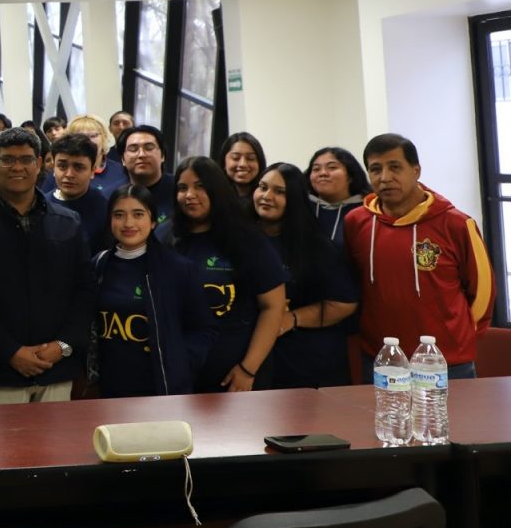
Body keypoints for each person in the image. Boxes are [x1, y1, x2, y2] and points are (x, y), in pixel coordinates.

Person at [0, 129, 93, 405]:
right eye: (7, 159)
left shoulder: (68, 221)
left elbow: (83, 291)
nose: (17, 167)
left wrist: (62, 346)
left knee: (59, 436)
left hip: (56, 366)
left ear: (38, 164)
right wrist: (10, 352)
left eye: (25, 159)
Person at [345, 133, 493, 379]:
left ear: (416, 171)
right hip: (382, 357)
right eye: (375, 169)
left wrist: (458, 335)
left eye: (395, 167)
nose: (385, 178)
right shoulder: (356, 222)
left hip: (445, 360)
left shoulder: (456, 224)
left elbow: (483, 293)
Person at [157, 156, 288, 393]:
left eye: (200, 186)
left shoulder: (248, 240)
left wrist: (248, 369)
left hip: (234, 375)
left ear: (216, 190)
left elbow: (273, 307)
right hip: (179, 373)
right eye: (182, 188)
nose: (189, 195)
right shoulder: (163, 236)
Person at [91, 186, 215, 398]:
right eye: (119, 215)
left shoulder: (179, 269)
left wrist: (180, 363)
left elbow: (204, 329)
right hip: (108, 389)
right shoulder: (99, 264)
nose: (128, 223)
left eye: (138, 214)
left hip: (161, 391)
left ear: (154, 221)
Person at [253, 164, 358, 389]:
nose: (267, 196)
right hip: (253, 360)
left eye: (279, 192)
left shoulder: (316, 246)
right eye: (262, 187)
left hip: (306, 363)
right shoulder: (242, 238)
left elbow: (345, 303)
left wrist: (291, 318)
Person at [49, 133, 109, 253]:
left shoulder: (105, 207)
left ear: (92, 171)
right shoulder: (41, 206)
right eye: (62, 166)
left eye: (79, 167)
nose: (69, 174)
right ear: (53, 168)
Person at [307, 145, 369, 243]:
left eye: (332, 167)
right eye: (316, 169)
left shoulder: (368, 210)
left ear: (351, 175)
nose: (323, 173)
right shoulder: (302, 208)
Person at [62, 115, 128, 196]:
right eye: (80, 137)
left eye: (93, 136)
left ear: (104, 138)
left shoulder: (121, 171)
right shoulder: (61, 172)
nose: (87, 141)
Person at [120, 124, 175, 221]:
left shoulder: (180, 190)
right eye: (133, 149)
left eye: (149, 148)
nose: (141, 155)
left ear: (162, 155)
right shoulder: (112, 195)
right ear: (123, 159)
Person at [218, 132, 266, 199]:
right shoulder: (213, 197)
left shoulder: (266, 198)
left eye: (250, 158)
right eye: (236, 158)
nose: (243, 164)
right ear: (224, 162)